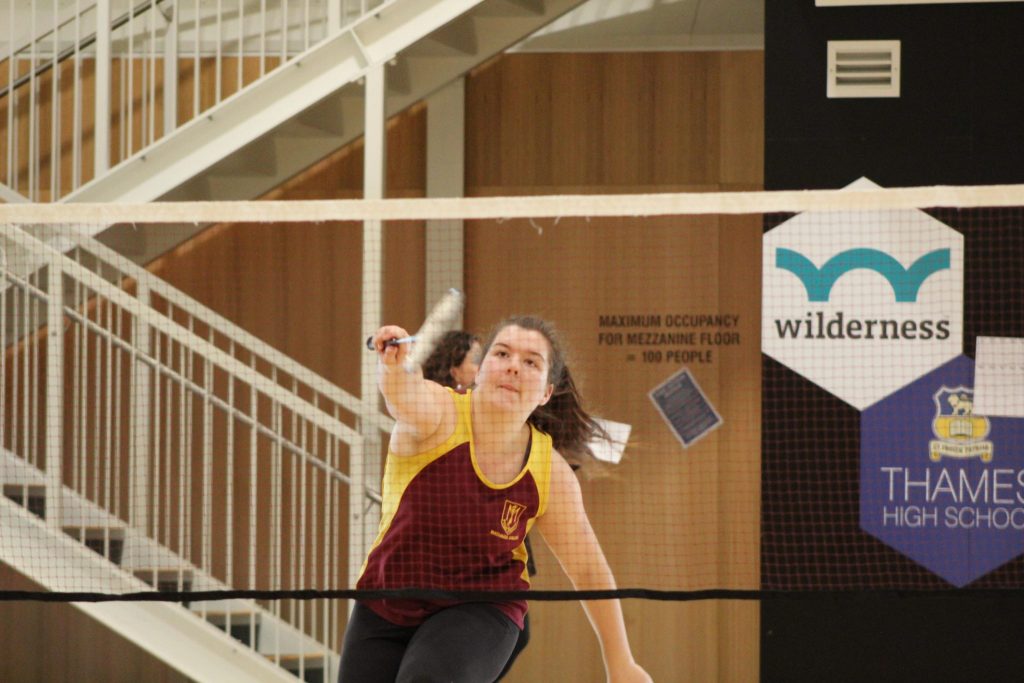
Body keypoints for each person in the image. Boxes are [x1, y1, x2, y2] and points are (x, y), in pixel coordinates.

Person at [340, 316, 651, 683]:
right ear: (481, 369)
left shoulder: (548, 471)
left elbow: (587, 569)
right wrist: (392, 368)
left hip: (481, 605)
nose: (513, 367)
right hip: (387, 598)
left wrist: (621, 664)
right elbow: (403, 394)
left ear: (546, 392)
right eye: (502, 353)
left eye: (531, 362)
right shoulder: (438, 414)